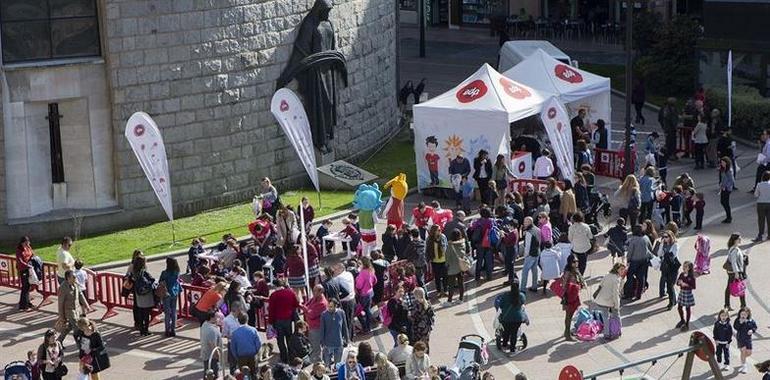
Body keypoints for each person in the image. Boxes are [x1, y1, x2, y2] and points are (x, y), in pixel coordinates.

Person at [268, 278, 300, 363]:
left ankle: (284, 358)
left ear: (275, 286)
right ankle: (291, 356)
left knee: (280, 341)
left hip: (277, 321)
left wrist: (270, 322)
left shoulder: (273, 295)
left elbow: (271, 310)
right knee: (289, 338)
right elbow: (296, 303)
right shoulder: (290, 292)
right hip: (288, 320)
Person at [57, 269, 92, 345]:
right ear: (68, 278)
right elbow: (60, 303)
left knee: (69, 327)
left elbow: (80, 295)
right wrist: (62, 317)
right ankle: (81, 345)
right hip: (69, 311)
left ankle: (58, 341)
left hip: (77, 310)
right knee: (77, 328)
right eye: (74, 277)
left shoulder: (75, 284)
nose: (75, 278)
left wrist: (87, 306)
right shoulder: (63, 288)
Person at [594, 262, 624, 340]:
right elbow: (615, 294)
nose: (623, 271)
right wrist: (617, 305)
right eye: (621, 269)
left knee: (605, 317)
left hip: (602, 300)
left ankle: (606, 334)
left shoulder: (607, 275)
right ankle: (618, 331)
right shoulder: (616, 280)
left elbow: (601, 285)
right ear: (617, 270)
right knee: (616, 315)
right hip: (610, 301)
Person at [623, 225, 652, 300]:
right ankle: (638, 294)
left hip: (634, 261)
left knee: (629, 276)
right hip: (644, 260)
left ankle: (628, 293)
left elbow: (630, 251)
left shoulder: (633, 239)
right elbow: (650, 248)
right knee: (641, 277)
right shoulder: (646, 238)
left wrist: (628, 260)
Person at [498, 281, 527, 353]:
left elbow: (501, 305)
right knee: (514, 333)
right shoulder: (521, 295)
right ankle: (512, 349)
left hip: (506, 318)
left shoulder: (505, 295)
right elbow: (523, 303)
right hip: (518, 318)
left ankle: (504, 344)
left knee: (506, 331)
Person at [130, 256, 155, 336]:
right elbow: (151, 280)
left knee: (140, 312)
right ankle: (146, 330)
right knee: (146, 314)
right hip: (146, 294)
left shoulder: (134, 272)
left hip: (138, 294)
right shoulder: (144, 272)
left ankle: (141, 329)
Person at [561, 255, 584, 341]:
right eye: (574, 262)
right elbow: (564, 285)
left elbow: (580, 279)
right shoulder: (568, 272)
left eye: (577, 261)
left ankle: (567, 332)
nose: (576, 263)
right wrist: (572, 287)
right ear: (570, 262)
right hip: (569, 296)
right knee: (568, 315)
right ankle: (567, 334)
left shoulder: (576, 270)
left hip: (575, 294)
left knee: (571, 314)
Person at [303, 284, 328, 363]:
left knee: (316, 347)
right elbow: (306, 305)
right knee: (314, 346)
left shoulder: (322, 303)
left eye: (315, 291)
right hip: (311, 326)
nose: (313, 292)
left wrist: (306, 310)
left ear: (320, 292)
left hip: (316, 328)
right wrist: (307, 310)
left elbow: (311, 315)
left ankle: (318, 364)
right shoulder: (315, 298)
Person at [158, 257, 181, 337]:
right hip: (174, 293)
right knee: (174, 311)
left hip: (166, 293)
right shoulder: (177, 272)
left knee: (167, 313)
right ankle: (173, 329)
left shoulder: (164, 273)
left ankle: (167, 330)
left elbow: (160, 281)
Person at [320, 299, 347, 366]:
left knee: (338, 365)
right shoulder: (324, 315)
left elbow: (344, 326)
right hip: (327, 344)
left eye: (331, 306)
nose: (329, 308)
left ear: (336, 306)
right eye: (328, 306)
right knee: (327, 364)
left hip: (338, 343)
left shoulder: (341, 313)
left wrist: (347, 339)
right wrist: (322, 343)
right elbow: (322, 329)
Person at [657, 231, 680, 310]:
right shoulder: (664, 245)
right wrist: (661, 245)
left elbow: (673, 255)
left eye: (666, 237)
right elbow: (659, 254)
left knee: (670, 285)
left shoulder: (675, 245)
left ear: (671, 237)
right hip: (665, 267)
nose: (664, 238)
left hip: (672, 267)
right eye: (663, 237)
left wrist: (666, 254)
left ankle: (672, 302)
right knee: (669, 285)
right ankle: (672, 301)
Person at [724, 233, 747, 310]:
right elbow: (733, 262)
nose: (740, 240)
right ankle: (743, 306)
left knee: (729, 288)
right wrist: (736, 273)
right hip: (735, 272)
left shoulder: (733, 248)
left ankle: (727, 305)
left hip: (732, 272)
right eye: (739, 239)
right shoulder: (735, 250)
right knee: (741, 287)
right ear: (735, 240)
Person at [355, 257, 377, 334]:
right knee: (367, 310)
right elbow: (375, 280)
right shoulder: (371, 270)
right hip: (370, 293)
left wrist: (357, 279)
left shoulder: (363, 273)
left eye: (360, 263)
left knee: (358, 311)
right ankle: (369, 325)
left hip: (363, 295)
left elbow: (359, 286)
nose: (358, 265)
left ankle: (365, 327)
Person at [445, 229, 467, 303]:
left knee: (451, 285)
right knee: (461, 283)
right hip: (461, 266)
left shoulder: (450, 246)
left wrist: (446, 265)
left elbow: (447, 257)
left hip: (452, 267)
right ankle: (461, 299)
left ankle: (449, 301)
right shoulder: (463, 243)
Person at [425, 225, 448, 298]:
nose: (440, 231)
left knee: (445, 276)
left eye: (440, 230)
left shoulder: (443, 237)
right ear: (434, 231)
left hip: (443, 260)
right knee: (437, 277)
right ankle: (438, 291)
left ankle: (445, 290)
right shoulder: (429, 239)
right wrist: (428, 259)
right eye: (438, 230)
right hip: (435, 261)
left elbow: (446, 246)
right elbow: (427, 250)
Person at [568, 212, 593, 276]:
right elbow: (590, 236)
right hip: (585, 248)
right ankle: (581, 275)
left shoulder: (571, 228)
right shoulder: (586, 226)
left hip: (575, 248)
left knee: (575, 261)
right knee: (583, 263)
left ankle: (575, 272)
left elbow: (570, 239)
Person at [519, 216, 541, 292]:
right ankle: (534, 286)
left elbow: (527, 246)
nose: (524, 223)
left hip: (530, 254)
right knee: (534, 271)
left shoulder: (529, 233)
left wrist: (525, 255)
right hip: (537, 252)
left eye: (525, 222)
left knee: (525, 272)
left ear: (529, 222)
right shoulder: (537, 229)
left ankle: (522, 289)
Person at [734, 307, 757, 374]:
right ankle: (744, 366)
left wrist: (752, 330)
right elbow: (735, 327)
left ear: (748, 315)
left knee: (749, 353)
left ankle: (742, 359)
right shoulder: (738, 320)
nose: (743, 316)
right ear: (740, 314)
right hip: (740, 339)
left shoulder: (751, 321)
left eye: (745, 314)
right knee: (743, 351)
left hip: (748, 339)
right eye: (742, 314)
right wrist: (740, 323)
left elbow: (755, 327)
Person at [675, 261, 696, 331]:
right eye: (684, 266)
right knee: (679, 307)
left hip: (688, 293)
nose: (684, 268)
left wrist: (686, 285)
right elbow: (677, 282)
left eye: (686, 267)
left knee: (687, 309)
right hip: (682, 293)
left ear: (689, 268)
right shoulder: (681, 274)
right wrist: (679, 283)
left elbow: (693, 286)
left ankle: (687, 324)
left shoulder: (691, 277)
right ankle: (682, 320)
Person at [200, 311, 221, 378]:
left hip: (205, 354)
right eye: (217, 317)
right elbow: (213, 346)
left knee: (207, 372)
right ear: (212, 318)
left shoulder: (205, 324)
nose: (219, 319)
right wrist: (218, 356)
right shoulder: (212, 330)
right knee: (213, 375)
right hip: (211, 357)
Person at [16, 236, 35, 311]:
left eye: (27, 243)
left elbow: (32, 254)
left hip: (29, 269)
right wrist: (28, 265)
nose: (26, 245)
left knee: (27, 287)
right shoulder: (19, 250)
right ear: (21, 243)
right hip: (23, 269)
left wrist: (32, 259)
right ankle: (24, 305)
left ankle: (26, 303)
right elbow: (20, 261)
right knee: (25, 287)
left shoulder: (28, 247)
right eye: (25, 243)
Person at [754, 171, 770, 241]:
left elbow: (756, 195)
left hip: (760, 203)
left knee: (761, 220)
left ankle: (760, 235)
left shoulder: (759, 184)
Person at [718, 157, 734, 223]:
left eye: (723, 162)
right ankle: (728, 216)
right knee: (723, 202)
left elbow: (731, 180)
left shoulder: (728, 170)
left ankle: (729, 217)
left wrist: (726, 187)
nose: (722, 164)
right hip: (723, 188)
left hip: (727, 189)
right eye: (721, 162)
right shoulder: (723, 169)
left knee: (725, 202)